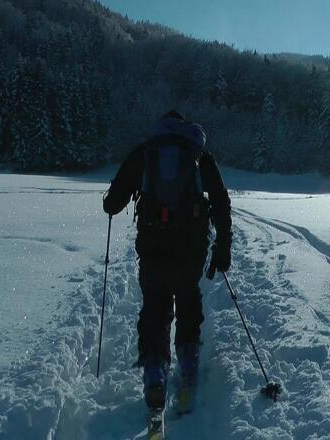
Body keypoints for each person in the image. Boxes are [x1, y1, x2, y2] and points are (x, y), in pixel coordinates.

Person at [102, 111, 232, 410]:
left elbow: (113, 204)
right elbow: (222, 203)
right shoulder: (199, 154)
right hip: (191, 243)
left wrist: (113, 195)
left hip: (153, 241)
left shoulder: (146, 152)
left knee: (156, 306)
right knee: (188, 297)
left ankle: (155, 372)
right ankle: (188, 363)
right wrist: (223, 247)